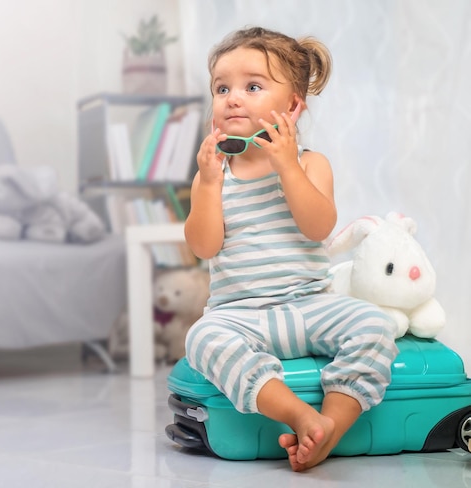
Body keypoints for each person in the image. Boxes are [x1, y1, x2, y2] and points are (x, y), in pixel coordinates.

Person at [184, 26, 399, 472]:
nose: (232, 98)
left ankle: (332, 426)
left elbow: (318, 226)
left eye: (253, 86)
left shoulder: (309, 163)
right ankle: (298, 415)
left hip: (309, 305)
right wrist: (207, 183)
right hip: (240, 313)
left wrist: (286, 166)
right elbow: (204, 245)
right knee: (201, 337)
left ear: (293, 105)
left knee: (375, 326)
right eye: (221, 88)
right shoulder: (215, 175)